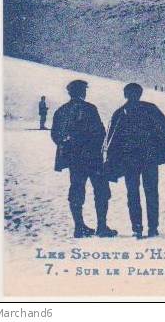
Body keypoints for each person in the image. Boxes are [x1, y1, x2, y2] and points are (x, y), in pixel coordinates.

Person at [103, 83, 165, 239]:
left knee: (132, 193)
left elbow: (112, 141)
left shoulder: (120, 113)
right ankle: (152, 228)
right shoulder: (150, 109)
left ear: (125, 95)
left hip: (130, 161)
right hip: (149, 159)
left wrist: (110, 162)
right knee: (151, 193)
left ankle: (137, 228)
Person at [50, 80, 116, 238]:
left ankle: (79, 227)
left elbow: (55, 135)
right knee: (101, 191)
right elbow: (99, 133)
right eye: (84, 90)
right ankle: (101, 226)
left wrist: (68, 144)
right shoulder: (90, 108)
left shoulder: (61, 111)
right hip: (93, 158)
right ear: (82, 92)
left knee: (76, 191)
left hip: (74, 160)